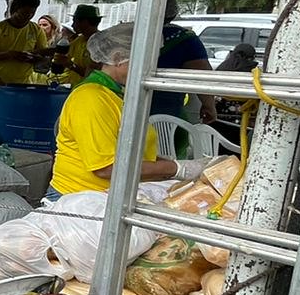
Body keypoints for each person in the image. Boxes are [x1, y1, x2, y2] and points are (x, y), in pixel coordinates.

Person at [49, 21, 209, 197]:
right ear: (117, 58)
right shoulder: (91, 98)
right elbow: (105, 168)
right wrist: (177, 169)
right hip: (79, 198)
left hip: (114, 194)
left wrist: (173, 166)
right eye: (143, 61)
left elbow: (131, 153)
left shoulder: (118, 94)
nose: (149, 69)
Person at [154, 0, 219, 124]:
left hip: (121, 105)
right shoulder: (184, 39)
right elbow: (201, 74)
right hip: (166, 112)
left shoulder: (127, 34)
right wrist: (209, 105)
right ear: (174, 13)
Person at [0, 0, 49, 89]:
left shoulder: (36, 30)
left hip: (25, 84)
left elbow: (43, 55)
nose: (28, 16)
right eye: (24, 13)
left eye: (32, 13)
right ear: (16, 9)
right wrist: (10, 55)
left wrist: (33, 57)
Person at [61, 5, 102, 84]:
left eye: (75, 21)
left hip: (89, 90)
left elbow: (92, 75)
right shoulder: (79, 40)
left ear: (85, 22)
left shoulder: (101, 44)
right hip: (76, 88)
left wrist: (71, 65)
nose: (72, 25)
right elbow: (65, 53)